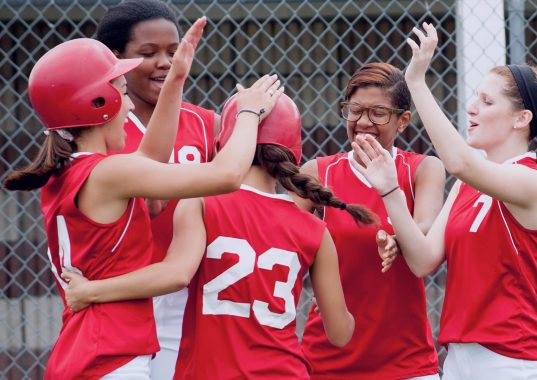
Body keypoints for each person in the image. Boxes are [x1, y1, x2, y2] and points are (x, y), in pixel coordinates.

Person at [3, 17, 284, 379]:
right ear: (96, 101)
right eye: (120, 91)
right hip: (109, 356)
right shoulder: (107, 173)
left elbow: (151, 158)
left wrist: (176, 80)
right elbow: (227, 175)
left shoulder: (78, 169)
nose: (130, 106)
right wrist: (248, 111)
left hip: (96, 349)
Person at [60, 93, 379, 378]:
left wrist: (91, 291)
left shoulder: (201, 201)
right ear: (293, 152)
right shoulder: (313, 228)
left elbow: (175, 273)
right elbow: (340, 334)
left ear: (225, 142)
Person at [350, 23, 537, 380]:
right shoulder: (467, 187)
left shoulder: (532, 183)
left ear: (522, 119)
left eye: (487, 101)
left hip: (512, 361)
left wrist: (416, 82)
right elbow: (423, 261)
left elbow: (459, 162)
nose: (472, 108)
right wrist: (390, 192)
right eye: (475, 97)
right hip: (460, 360)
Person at [298, 62, 446, 379]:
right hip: (327, 359)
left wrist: (399, 239)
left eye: (378, 113)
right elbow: (280, 236)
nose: (363, 122)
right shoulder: (319, 172)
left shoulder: (422, 169)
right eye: (354, 111)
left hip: (406, 361)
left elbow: (425, 227)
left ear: (403, 121)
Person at [95, 2, 217, 377]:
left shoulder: (206, 124)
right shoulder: (99, 130)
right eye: (148, 53)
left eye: (173, 50)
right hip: (126, 293)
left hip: (196, 294)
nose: (165, 62)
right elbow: (152, 204)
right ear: (116, 59)